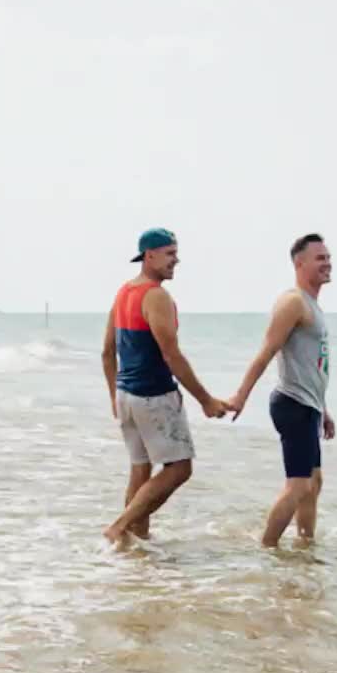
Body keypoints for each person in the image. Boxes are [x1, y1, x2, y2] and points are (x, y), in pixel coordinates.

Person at [102, 227, 227, 545]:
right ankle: (120, 526)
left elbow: (107, 352)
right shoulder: (156, 296)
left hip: (127, 396)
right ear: (149, 255)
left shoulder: (123, 292)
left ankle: (134, 544)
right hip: (153, 396)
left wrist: (114, 396)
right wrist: (206, 400)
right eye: (170, 253)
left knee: (140, 470)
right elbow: (171, 355)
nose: (176, 260)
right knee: (179, 469)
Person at [226, 233, 335, 547]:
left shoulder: (313, 305)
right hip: (293, 403)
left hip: (309, 405)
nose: (327, 263)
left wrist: (324, 409)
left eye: (328, 257)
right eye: (320, 258)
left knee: (313, 482)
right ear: (300, 264)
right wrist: (241, 396)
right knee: (298, 485)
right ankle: (267, 547)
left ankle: (305, 545)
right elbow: (267, 351)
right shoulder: (293, 302)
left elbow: (313, 364)